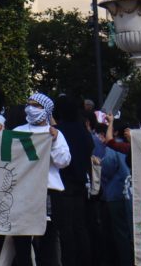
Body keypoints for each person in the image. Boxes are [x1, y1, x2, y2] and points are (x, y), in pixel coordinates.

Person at [9, 93, 70, 265]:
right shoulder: (18, 132)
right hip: (22, 191)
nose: (30, 108)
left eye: (36, 105)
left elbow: (63, 161)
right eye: (28, 104)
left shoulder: (55, 134)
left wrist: (55, 139)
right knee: (21, 238)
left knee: (47, 237)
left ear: (46, 110)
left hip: (47, 191)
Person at [52, 94, 93, 265]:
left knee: (66, 230)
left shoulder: (58, 132)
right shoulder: (82, 130)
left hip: (63, 185)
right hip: (80, 184)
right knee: (80, 228)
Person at [97, 120, 132, 266]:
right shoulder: (138, 146)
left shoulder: (115, 148)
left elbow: (108, 168)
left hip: (116, 194)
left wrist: (100, 164)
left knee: (121, 233)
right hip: (135, 194)